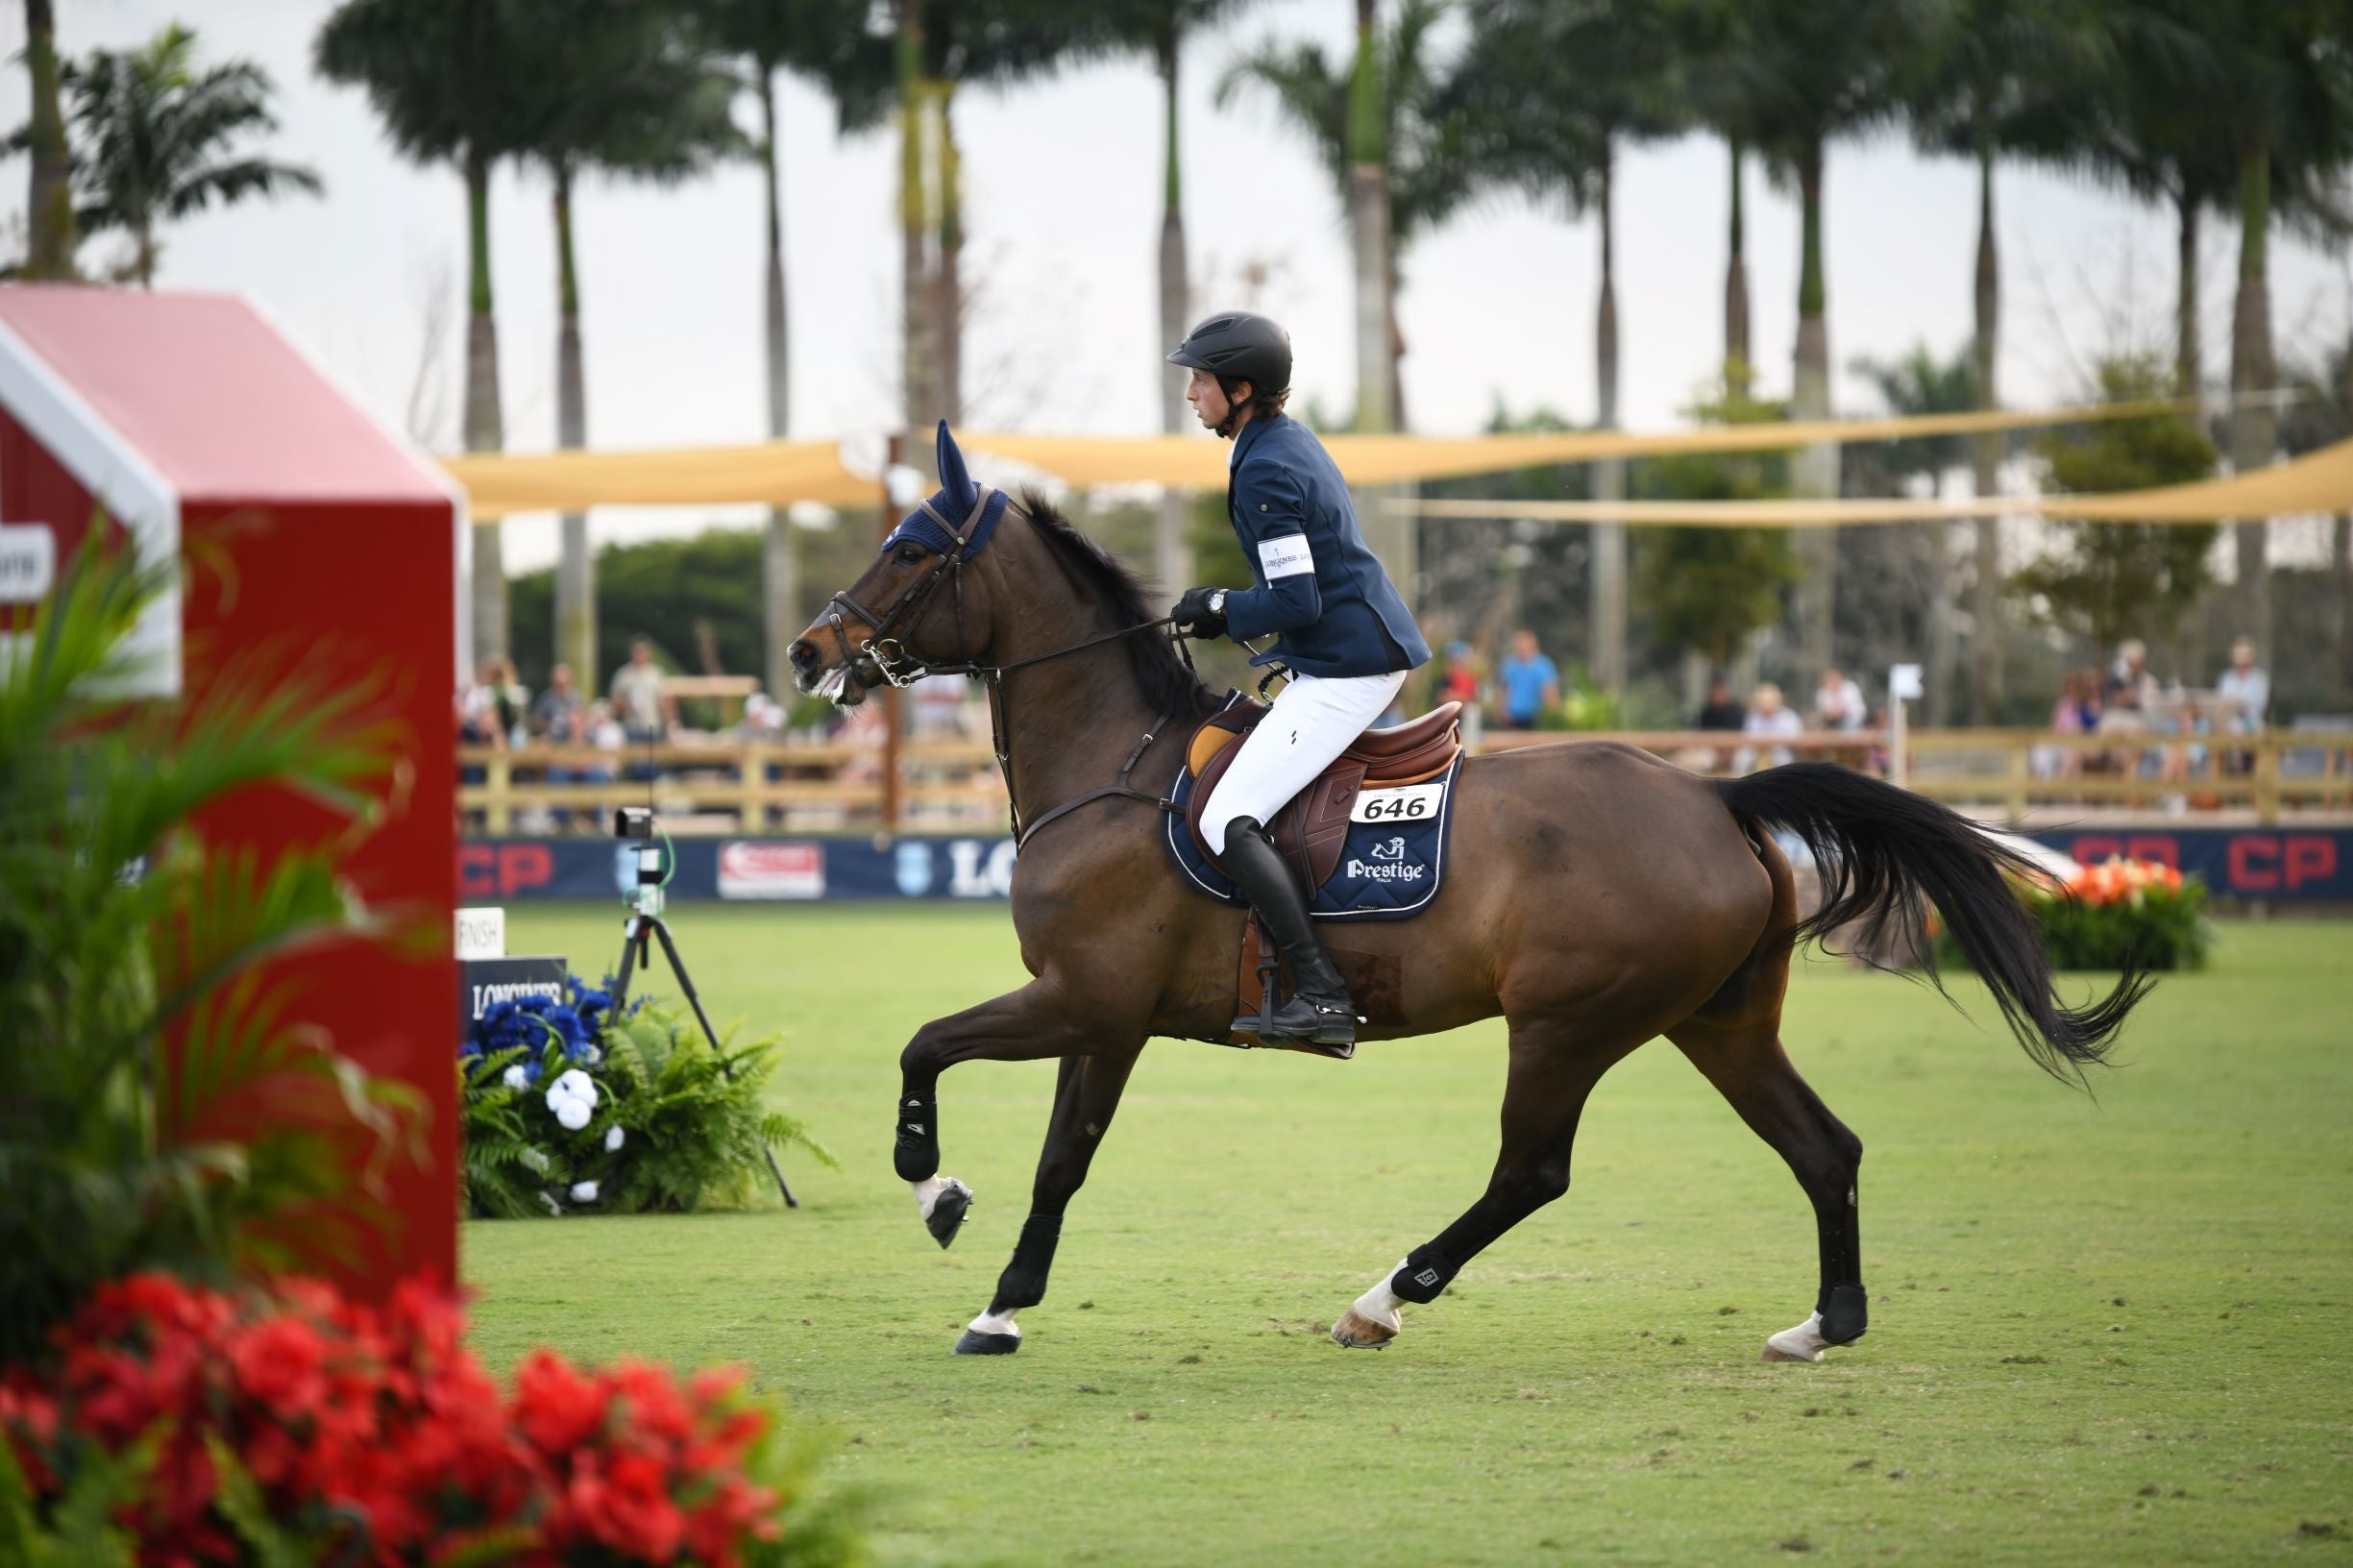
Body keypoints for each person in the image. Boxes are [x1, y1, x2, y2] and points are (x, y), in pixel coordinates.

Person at [1166, 310, 1430, 1049]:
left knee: (1224, 816)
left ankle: (1319, 995)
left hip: (1350, 666)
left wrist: (1221, 607)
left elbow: (1296, 600)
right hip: (1346, 652)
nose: (1190, 393)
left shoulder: (1266, 465)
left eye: (1200, 379)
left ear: (1241, 388)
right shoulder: (1278, 439)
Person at [609, 637, 675, 743]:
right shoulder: (623, 675)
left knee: (652, 758)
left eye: (642, 650)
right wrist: (626, 705)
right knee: (635, 758)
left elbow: (666, 702)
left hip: (653, 728)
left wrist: (671, 726)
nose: (639, 654)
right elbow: (614, 704)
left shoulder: (657, 674)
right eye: (637, 650)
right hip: (631, 727)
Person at [1497, 629, 1559, 730]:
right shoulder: (1510, 665)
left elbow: (1549, 691)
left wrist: (1552, 714)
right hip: (1513, 718)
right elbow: (1505, 690)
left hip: (1536, 718)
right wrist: (1503, 710)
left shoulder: (1543, 666)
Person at [1735, 682, 1802, 772]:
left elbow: (1796, 741)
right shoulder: (1753, 717)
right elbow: (1747, 738)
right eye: (1763, 701)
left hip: (1780, 752)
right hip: (1756, 752)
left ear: (1777, 700)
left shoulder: (1789, 716)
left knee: (1784, 761)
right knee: (1741, 758)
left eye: (1769, 701)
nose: (1766, 704)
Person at [2216, 637, 2269, 735]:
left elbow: (2260, 705)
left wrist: (2243, 707)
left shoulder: (2260, 678)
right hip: (2230, 720)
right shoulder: (2227, 678)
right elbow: (2222, 701)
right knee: (2231, 726)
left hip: (2253, 720)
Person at [1811, 666, 1865, 732]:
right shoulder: (1823, 692)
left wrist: (1834, 713)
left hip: (1852, 718)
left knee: (1849, 723)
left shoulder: (1850, 688)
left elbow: (1846, 711)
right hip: (1831, 720)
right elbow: (1824, 711)